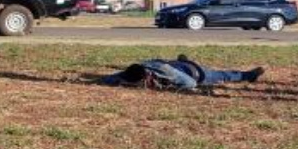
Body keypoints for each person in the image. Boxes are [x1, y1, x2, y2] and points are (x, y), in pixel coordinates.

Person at [103, 55, 265, 91]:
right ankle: (183, 60)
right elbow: (112, 77)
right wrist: (116, 81)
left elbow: (190, 84)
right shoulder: (135, 70)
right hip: (180, 66)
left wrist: (166, 86)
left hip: (196, 74)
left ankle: (248, 76)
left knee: (222, 75)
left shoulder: (163, 71)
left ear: (147, 74)